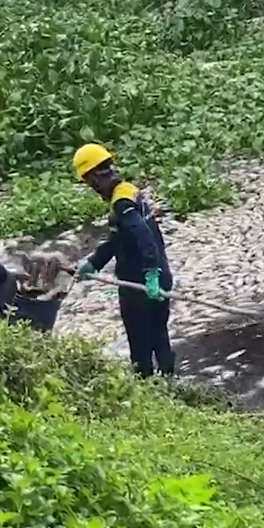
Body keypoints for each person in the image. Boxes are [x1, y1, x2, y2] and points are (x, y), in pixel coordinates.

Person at [72, 143, 175, 378]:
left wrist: (150, 274)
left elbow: (143, 236)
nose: (93, 189)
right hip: (161, 277)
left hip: (140, 284)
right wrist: (95, 263)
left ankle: (147, 391)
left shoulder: (121, 204)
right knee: (159, 335)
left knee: (140, 345)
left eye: (89, 183)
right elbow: (119, 238)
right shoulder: (129, 191)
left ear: (93, 178)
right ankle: (171, 384)